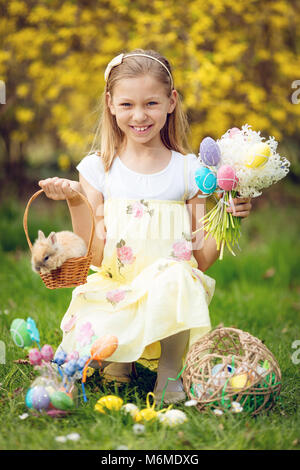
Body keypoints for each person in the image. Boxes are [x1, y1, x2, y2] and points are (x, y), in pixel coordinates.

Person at [38, 49, 252, 403]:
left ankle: (169, 373)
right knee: (88, 332)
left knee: (178, 275)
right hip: (117, 289)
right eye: (127, 105)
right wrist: (76, 200)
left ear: (171, 101)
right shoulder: (98, 169)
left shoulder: (189, 170)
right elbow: (93, 255)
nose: (139, 116)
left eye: (151, 103)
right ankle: (121, 361)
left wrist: (229, 214)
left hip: (170, 293)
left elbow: (200, 259)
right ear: (110, 104)